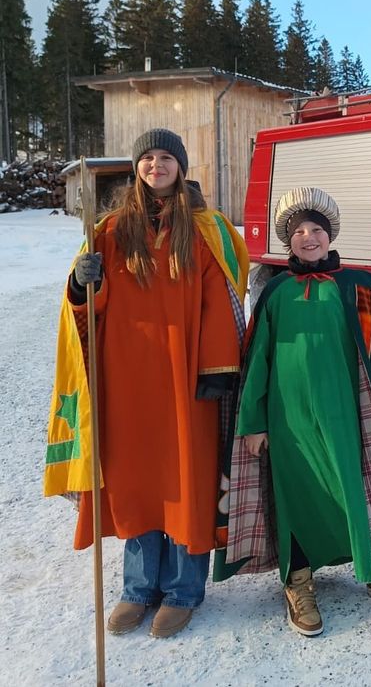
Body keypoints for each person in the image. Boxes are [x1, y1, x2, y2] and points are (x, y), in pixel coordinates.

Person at [44, 128, 249, 639]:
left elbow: (223, 299)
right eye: (148, 158)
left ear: (181, 166)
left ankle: (183, 590)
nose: (157, 165)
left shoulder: (208, 229)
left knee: (186, 483)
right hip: (127, 380)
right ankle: (137, 588)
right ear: (137, 167)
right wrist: (80, 283)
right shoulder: (110, 229)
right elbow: (86, 311)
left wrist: (218, 369)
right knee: (136, 484)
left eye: (166, 157)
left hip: (186, 379)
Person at [228, 187, 371, 638]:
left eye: (316, 229)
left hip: (348, 413)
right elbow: (257, 360)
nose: (308, 237)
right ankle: (298, 581)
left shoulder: (359, 286)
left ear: (330, 234)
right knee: (298, 495)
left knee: (361, 487)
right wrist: (254, 422)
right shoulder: (275, 291)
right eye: (298, 231)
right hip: (290, 419)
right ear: (288, 241)